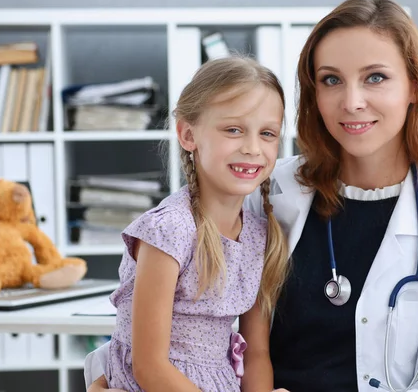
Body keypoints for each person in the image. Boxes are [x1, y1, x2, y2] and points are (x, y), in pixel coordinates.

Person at [87, 0, 418, 392]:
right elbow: (171, 327)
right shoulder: (264, 193)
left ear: (415, 87)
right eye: (331, 79)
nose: (352, 102)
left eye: (375, 77)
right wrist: (106, 377)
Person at [85, 56, 293, 392]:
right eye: (233, 129)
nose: (253, 148)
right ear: (187, 134)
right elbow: (149, 367)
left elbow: (257, 353)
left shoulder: (260, 236)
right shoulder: (170, 231)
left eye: (267, 133)